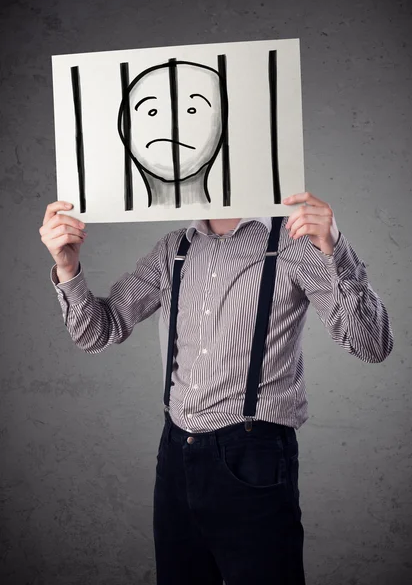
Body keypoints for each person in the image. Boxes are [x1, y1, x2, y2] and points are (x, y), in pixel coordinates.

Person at [40, 193, 393, 585]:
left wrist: (335, 249)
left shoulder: (296, 242)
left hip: (252, 456)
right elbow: (97, 331)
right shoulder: (175, 248)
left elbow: (371, 344)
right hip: (175, 455)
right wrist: (67, 267)